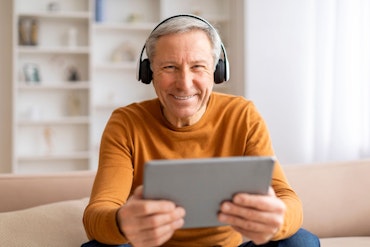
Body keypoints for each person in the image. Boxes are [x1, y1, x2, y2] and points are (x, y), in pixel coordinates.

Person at [82, 14, 320, 247]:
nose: (184, 83)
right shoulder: (126, 123)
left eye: (198, 66)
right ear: (149, 72)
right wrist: (123, 223)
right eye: (169, 67)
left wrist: (277, 220)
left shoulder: (242, 115)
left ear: (217, 72)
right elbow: (98, 213)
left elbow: (288, 199)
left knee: (301, 242)